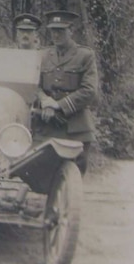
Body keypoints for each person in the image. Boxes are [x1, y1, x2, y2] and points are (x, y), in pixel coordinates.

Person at [35, 10, 98, 174]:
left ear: (71, 30)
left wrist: (58, 105)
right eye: (53, 30)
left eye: (61, 30)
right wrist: (45, 102)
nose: (56, 35)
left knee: (75, 174)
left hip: (76, 126)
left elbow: (89, 90)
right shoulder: (42, 55)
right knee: (40, 171)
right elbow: (34, 85)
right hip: (47, 124)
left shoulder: (85, 55)